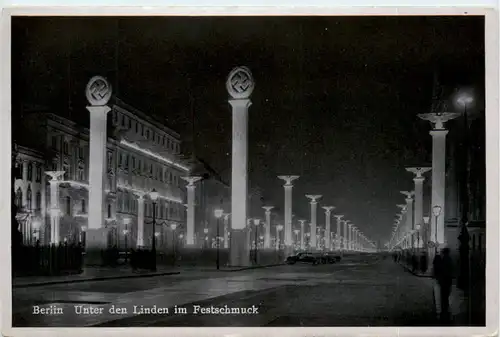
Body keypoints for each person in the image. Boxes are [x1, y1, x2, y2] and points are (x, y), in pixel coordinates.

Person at [433, 247, 453, 323]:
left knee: (439, 297)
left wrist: (437, 277)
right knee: (446, 297)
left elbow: (437, 270)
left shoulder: (441, 259)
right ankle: (447, 312)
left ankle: (440, 313)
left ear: (443, 252)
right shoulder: (449, 259)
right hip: (448, 281)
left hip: (441, 281)